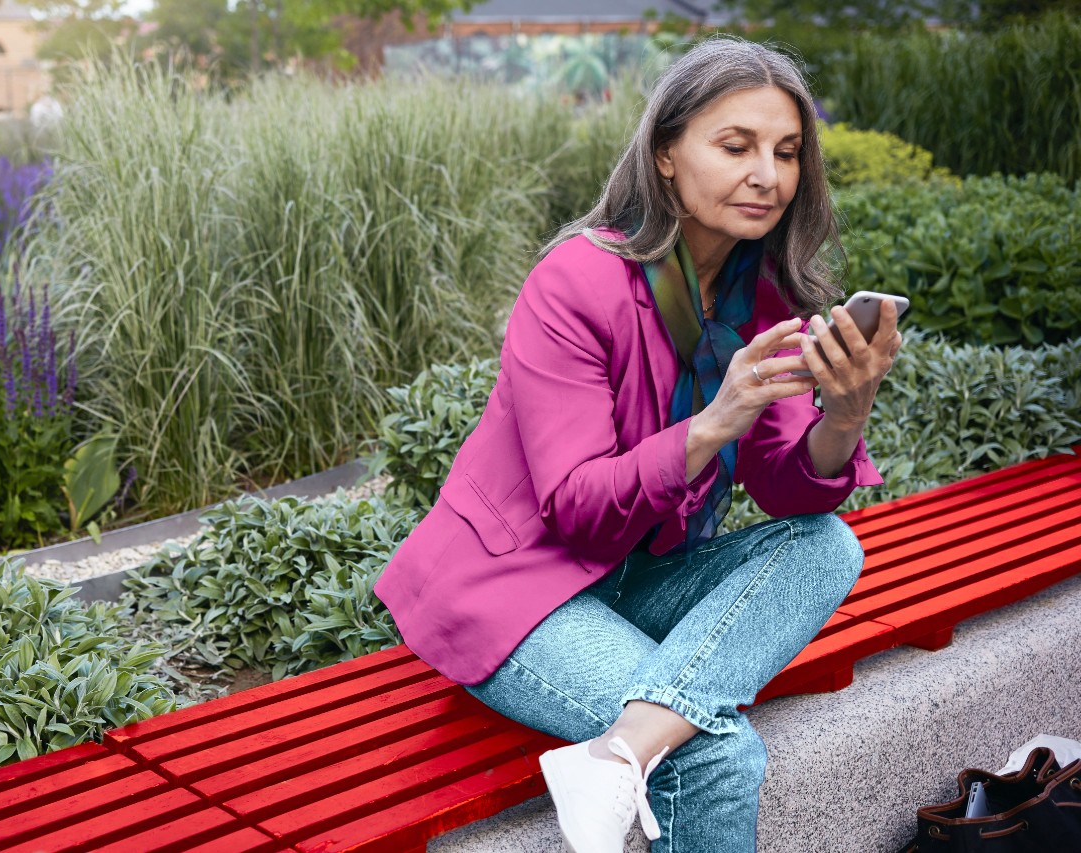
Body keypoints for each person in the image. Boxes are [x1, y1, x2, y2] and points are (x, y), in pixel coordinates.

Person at [374, 35, 902, 853]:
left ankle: (619, 752)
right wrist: (714, 422)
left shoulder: (759, 296)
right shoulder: (576, 282)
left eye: (787, 151)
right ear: (665, 153)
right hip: (517, 592)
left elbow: (787, 491)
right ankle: (636, 745)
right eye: (736, 145)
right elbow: (579, 507)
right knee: (714, 754)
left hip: (638, 578)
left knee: (827, 545)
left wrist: (843, 415)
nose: (767, 173)